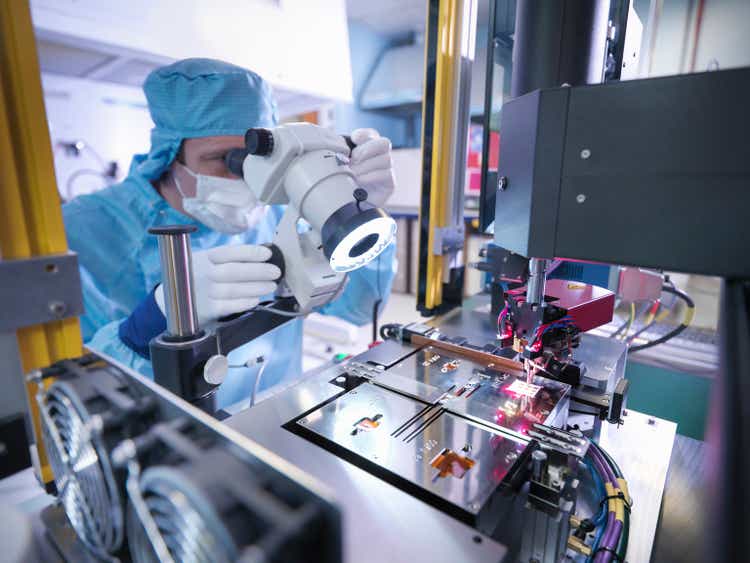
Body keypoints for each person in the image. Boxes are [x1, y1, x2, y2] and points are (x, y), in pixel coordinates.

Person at [63, 58, 397, 409]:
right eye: (224, 159)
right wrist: (150, 323)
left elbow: (358, 310)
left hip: (275, 418)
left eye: (257, 158)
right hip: (165, 443)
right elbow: (75, 396)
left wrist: (357, 204)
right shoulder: (83, 230)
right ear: (169, 154)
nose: (248, 178)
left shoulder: (280, 208)